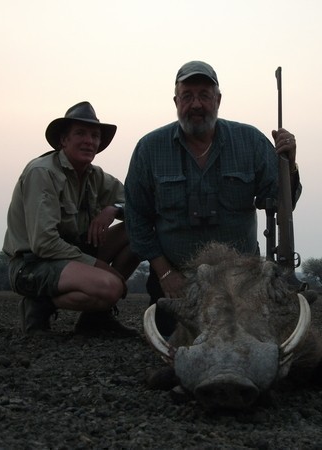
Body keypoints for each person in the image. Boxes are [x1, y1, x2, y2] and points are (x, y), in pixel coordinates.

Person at [124, 61, 301, 335]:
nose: (196, 104)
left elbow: (279, 202)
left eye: (204, 96)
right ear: (176, 101)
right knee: (174, 345)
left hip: (242, 280)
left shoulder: (251, 141)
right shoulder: (149, 148)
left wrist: (289, 164)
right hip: (177, 280)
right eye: (187, 96)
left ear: (218, 100)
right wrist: (166, 274)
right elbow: (137, 218)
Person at [3, 101, 140, 336]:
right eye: (81, 133)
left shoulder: (95, 176)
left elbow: (138, 202)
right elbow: (44, 244)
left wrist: (113, 210)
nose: (89, 140)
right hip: (32, 265)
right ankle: (39, 304)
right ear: (63, 140)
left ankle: (94, 320)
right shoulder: (42, 173)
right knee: (111, 287)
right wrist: (99, 267)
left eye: (95, 135)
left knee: (137, 232)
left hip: (72, 254)